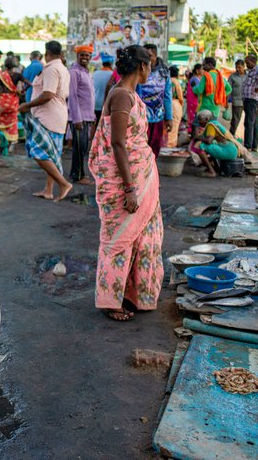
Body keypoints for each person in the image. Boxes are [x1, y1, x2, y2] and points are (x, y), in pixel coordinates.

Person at [89, 45, 163, 322]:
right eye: (150, 65)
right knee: (119, 240)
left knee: (145, 238)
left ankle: (135, 294)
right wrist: (130, 188)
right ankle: (110, 300)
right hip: (125, 182)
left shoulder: (129, 95)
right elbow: (118, 143)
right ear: (142, 66)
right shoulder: (121, 96)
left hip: (141, 177)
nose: (151, 70)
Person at [19, 40, 73, 201]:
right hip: (55, 115)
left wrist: (27, 105)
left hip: (48, 116)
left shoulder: (52, 69)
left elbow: (47, 95)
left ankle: (63, 183)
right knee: (51, 154)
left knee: (38, 151)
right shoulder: (62, 68)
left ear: (47, 53)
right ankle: (48, 190)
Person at [136, 43, 172, 157]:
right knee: (140, 148)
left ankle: (151, 172)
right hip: (141, 117)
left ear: (155, 56)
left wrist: (169, 117)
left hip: (158, 117)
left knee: (155, 149)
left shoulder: (164, 72)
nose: (147, 59)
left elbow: (167, 96)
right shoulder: (139, 70)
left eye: (149, 56)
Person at [68, 45, 95, 185]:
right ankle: (78, 176)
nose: (84, 57)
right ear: (77, 56)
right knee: (79, 148)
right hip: (79, 118)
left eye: (87, 55)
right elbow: (72, 96)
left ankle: (76, 173)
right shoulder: (74, 72)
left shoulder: (86, 72)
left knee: (83, 148)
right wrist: (76, 118)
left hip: (87, 117)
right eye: (82, 55)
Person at [189, 109, 241, 177]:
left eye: (200, 120)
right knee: (211, 145)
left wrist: (196, 137)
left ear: (206, 119)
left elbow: (208, 141)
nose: (199, 122)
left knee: (200, 145)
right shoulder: (215, 123)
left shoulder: (211, 125)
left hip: (228, 150)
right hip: (231, 149)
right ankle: (215, 167)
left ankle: (211, 171)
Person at [0, 60, 21, 144]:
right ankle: (9, 144)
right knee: (13, 120)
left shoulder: (2, 75)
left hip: (2, 102)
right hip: (13, 102)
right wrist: (20, 93)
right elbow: (28, 84)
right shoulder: (18, 75)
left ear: (5, 66)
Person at [93, 54, 115, 124]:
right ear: (111, 64)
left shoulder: (95, 73)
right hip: (106, 104)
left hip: (95, 104)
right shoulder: (112, 75)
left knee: (95, 124)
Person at [227, 59, 246, 136]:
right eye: (236, 67)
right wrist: (226, 101)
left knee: (249, 121)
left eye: (239, 67)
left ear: (244, 67)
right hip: (237, 102)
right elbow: (228, 89)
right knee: (235, 120)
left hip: (248, 101)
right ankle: (231, 136)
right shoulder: (232, 77)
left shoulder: (248, 75)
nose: (238, 69)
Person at [168, 65, 185, 147]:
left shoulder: (166, 80)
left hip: (167, 105)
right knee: (174, 128)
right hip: (175, 104)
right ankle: (171, 145)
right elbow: (180, 97)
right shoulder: (176, 82)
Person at [186, 63, 203, 134]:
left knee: (193, 118)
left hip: (193, 101)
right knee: (194, 119)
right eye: (202, 69)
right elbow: (197, 91)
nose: (203, 71)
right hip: (194, 102)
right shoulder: (195, 79)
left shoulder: (195, 79)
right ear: (197, 70)